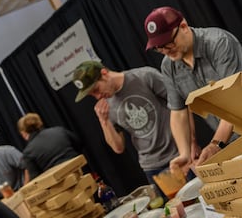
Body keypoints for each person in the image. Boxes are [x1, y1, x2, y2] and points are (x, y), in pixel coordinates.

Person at [143, 6, 242, 172]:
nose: (166, 52)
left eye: (169, 44)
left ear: (184, 27)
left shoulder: (218, 43)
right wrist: (184, 153)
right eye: (159, 48)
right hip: (232, 141)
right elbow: (178, 112)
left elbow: (233, 99)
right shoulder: (168, 66)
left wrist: (216, 144)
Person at [72, 60, 179, 200]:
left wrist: (190, 144)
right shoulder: (106, 106)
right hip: (152, 166)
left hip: (177, 154)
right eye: (92, 95)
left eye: (96, 89)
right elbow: (118, 147)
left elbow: (181, 105)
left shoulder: (144, 76)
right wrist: (103, 121)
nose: (97, 97)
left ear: (104, 73)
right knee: (175, 213)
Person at [17, 112, 87, 184]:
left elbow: (36, 180)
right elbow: (79, 144)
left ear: (23, 133)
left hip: (62, 185)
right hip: (81, 172)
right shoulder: (59, 130)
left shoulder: (28, 152)